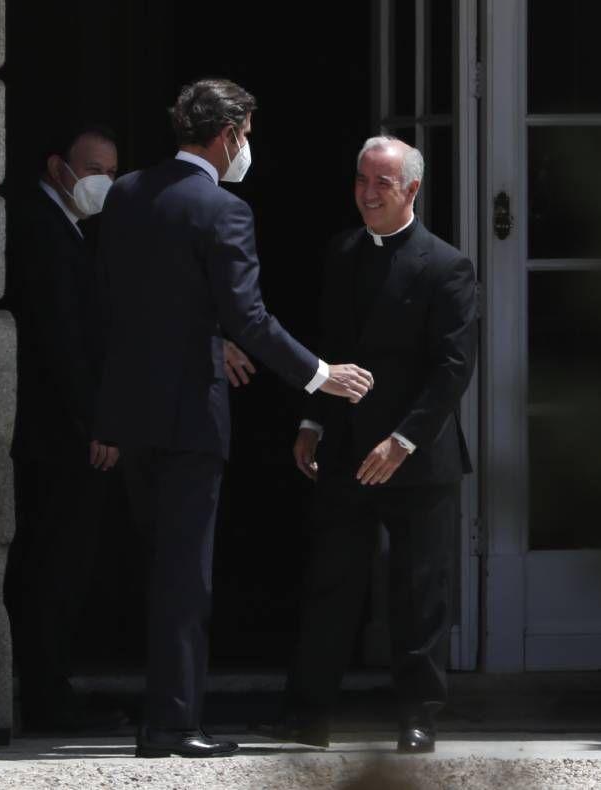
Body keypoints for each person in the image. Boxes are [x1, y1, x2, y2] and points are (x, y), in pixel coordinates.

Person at [93, 78, 374, 758]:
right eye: (246, 134)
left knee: (159, 567)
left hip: (132, 413)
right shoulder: (223, 209)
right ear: (227, 135)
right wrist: (318, 375)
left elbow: (118, 305)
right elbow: (249, 316)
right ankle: (173, 723)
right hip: (190, 415)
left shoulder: (127, 192)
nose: (247, 148)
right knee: (186, 577)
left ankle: (160, 712)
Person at [263, 136, 477, 754]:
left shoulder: (446, 265)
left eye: (382, 183)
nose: (367, 193)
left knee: (420, 591)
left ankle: (417, 715)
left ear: (411, 190)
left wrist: (403, 440)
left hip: (417, 452)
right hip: (348, 447)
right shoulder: (342, 252)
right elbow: (328, 346)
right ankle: (308, 714)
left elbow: (453, 368)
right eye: (361, 180)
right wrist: (312, 421)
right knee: (331, 582)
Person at [4, 124, 128, 732]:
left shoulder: (67, 228)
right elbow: (63, 344)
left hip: (60, 427)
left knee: (56, 561)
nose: (102, 180)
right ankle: (46, 695)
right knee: (57, 562)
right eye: (93, 167)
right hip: (61, 433)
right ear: (59, 167)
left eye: (111, 169)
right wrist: (97, 423)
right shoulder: (45, 230)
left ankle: (50, 685)